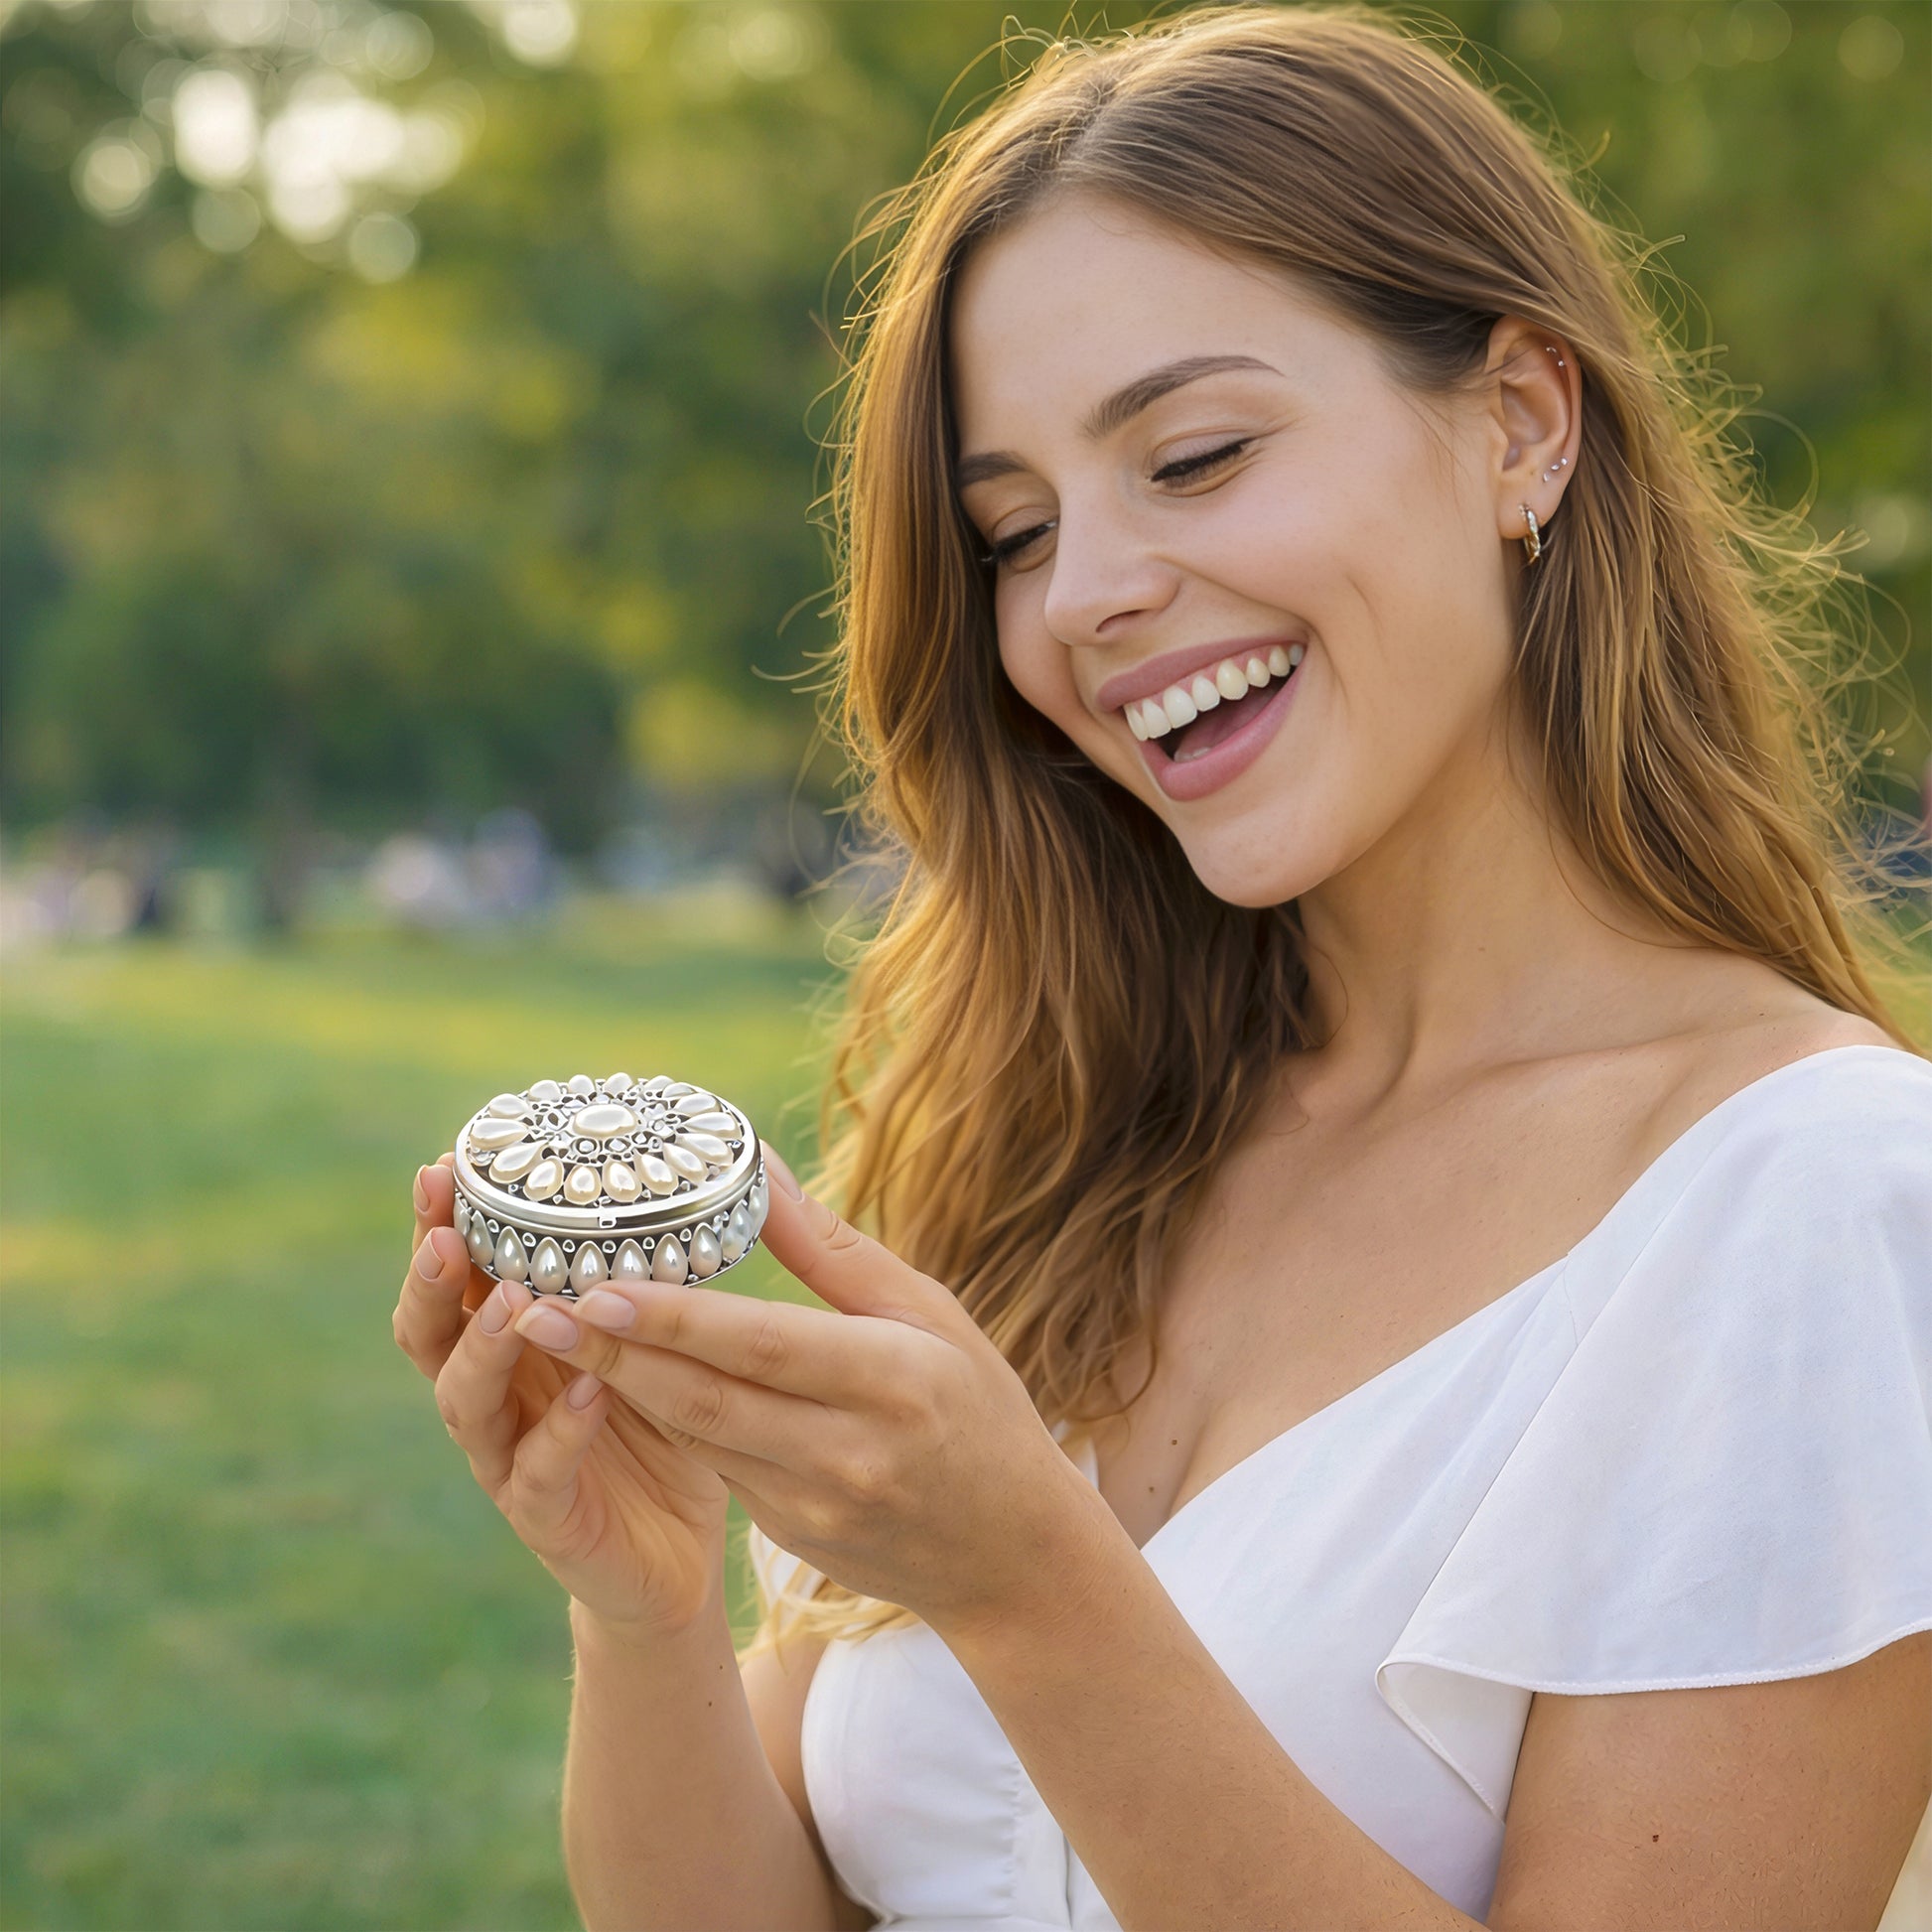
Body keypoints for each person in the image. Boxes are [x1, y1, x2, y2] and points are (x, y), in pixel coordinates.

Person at [391, 7, 1932, 1927]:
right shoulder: (1059, 1133)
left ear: (1522, 425)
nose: (1087, 595)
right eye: (1014, 531)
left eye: (1194, 457)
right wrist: (641, 1614)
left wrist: (1029, 1584)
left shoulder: (1818, 1200)